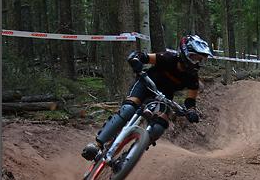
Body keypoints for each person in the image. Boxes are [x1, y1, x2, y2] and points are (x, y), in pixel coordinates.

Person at [81, 34, 213, 160]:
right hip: (146, 84)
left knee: (159, 127)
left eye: (201, 60)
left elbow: (190, 100)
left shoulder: (193, 78)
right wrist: (135, 60)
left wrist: (191, 112)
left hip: (164, 97)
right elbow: (142, 56)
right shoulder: (168, 58)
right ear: (185, 53)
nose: (197, 63)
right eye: (195, 58)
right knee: (128, 109)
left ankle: (129, 157)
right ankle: (97, 145)